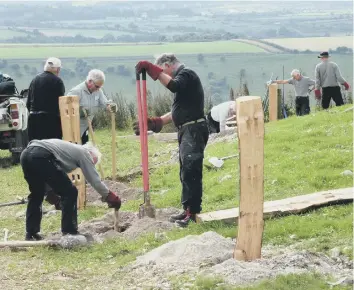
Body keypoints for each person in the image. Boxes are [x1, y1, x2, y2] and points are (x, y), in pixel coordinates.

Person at [134, 53, 209, 227]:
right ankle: (187, 209)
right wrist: (157, 122)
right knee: (185, 171)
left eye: (162, 69)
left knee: (191, 170)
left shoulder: (186, 74)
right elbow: (178, 110)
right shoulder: (185, 79)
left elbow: (173, 86)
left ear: (168, 64)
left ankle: (192, 213)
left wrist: (154, 71)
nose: (163, 73)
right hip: (187, 129)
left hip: (194, 129)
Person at [20, 139, 122, 241]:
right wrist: (109, 196)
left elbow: (47, 175)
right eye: (92, 162)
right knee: (70, 192)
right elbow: (95, 181)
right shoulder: (85, 153)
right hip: (42, 156)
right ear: (90, 154)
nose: (90, 164)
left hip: (26, 155)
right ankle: (70, 231)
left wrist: (50, 193)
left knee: (36, 194)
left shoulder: (68, 151)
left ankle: (31, 233)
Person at [66, 69, 116, 145]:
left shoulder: (98, 91)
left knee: (84, 151)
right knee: (74, 153)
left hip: (86, 127)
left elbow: (105, 103)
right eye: (97, 86)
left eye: (100, 87)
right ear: (90, 81)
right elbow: (66, 110)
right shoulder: (76, 91)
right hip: (74, 130)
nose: (98, 89)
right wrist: (80, 112)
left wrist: (110, 106)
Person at [26, 57, 65, 141]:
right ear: (57, 69)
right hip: (51, 121)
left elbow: (28, 103)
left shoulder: (34, 80)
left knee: (35, 146)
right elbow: (61, 103)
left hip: (33, 121)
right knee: (52, 148)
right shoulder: (58, 81)